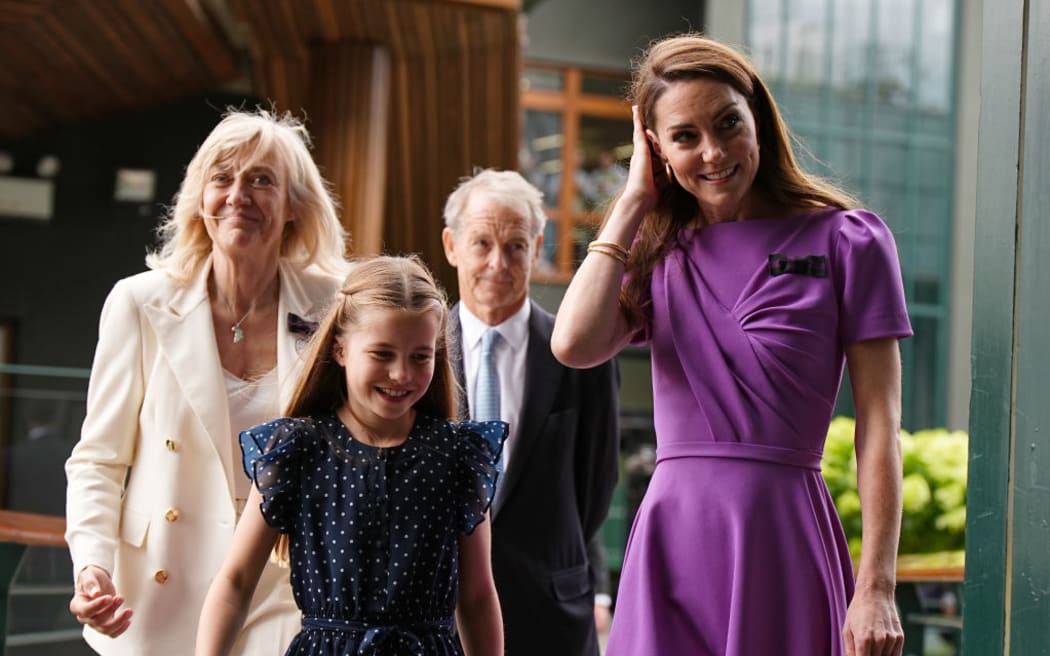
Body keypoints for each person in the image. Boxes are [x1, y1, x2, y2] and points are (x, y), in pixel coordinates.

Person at [551, 34, 911, 656]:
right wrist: (634, 199)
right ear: (656, 149)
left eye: (727, 124)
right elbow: (573, 344)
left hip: (783, 535)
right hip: (673, 537)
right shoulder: (656, 251)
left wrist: (876, 584)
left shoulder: (848, 240)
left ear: (758, 121)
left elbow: (879, 421)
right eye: (685, 136)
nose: (713, 153)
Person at [64, 108, 349, 655]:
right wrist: (92, 565)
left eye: (262, 180)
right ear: (200, 198)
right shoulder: (140, 302)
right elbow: (98, 459)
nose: (238, 194)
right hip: (160, 587)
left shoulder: (335, 305)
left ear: (294, 206)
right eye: (222, 178)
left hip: (283, 592)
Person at [195, 255, 505, 656]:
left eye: (420, 357)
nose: (401, 374)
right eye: (382, 354)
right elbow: (236, 581)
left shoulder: (458, 455)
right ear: (340, 349)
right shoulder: (296, 450)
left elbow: (478, 596)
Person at [440, 169, 620, 655]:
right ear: (451, 246)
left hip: (550, 614)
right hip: (438, 615)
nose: (498, 263)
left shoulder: (581, 353)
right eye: (481, 243)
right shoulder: (421, 353)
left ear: (536, 247)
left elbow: (596, 486)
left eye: (515, 246)